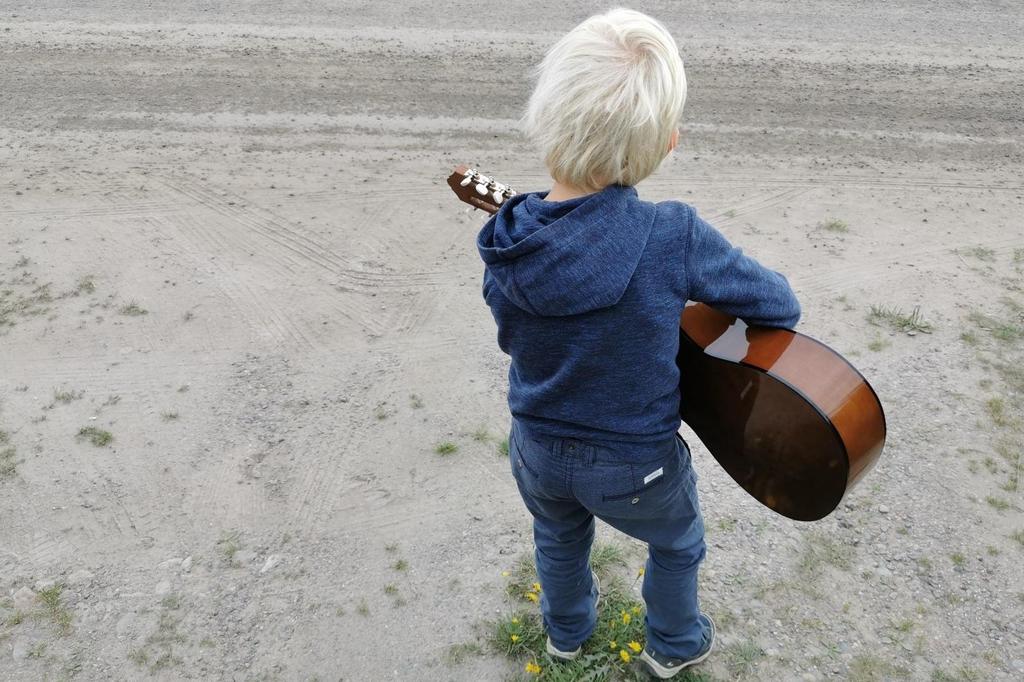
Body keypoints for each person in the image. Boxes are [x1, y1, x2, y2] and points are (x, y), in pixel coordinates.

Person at [475, 7, 800, 678]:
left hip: (536, 446)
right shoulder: (673, 235)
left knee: (558, 535)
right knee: (677, 543)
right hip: (636, 462)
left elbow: (512, 327)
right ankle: (675, 645)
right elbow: (777, 303)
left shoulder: (509, 244)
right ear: (666, 143)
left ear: (544, 119)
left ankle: (566, 633)